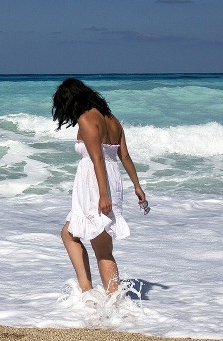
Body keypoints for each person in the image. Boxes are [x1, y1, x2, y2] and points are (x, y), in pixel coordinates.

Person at [52, 78, 147, 297]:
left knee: (96, 245)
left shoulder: (86, 119)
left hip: (97, 184)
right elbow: (124, 156)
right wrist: (137, 186)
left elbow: (97, 160)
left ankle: (98, 297)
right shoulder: (113, 120)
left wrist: (103, 195)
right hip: (112, 180)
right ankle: (103, 297)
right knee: (80, 237)